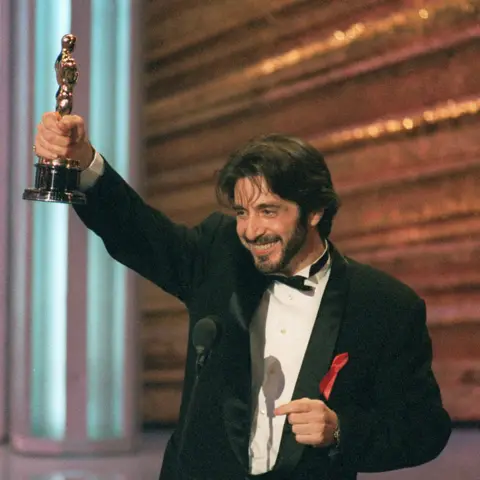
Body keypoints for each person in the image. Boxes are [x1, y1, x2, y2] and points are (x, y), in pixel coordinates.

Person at [34, 112, 451, 480]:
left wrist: (341, 429)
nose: (250, 231)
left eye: (268, 211)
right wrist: (83, 162)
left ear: (315, 211)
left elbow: (425, 430)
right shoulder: (221, 253)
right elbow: (138, 232)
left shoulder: (384, 306)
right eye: (241, 212)